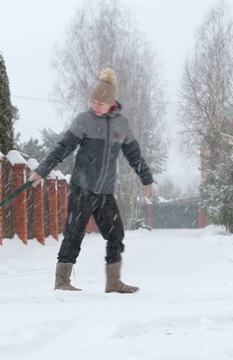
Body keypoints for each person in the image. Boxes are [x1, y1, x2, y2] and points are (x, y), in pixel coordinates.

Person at [28, 68, 154, 294]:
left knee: (116, 234)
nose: (95, 106)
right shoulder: (84, 121)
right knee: (74, 232)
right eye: (93, 101)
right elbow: (63, 147)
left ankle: (113, 281)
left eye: (100, 103)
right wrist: (42, 170)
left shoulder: (121, 125)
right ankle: (62, 281)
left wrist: (146, 179)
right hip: (82, 188)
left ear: (111, 102)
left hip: (105, 192)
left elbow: (134, 154)